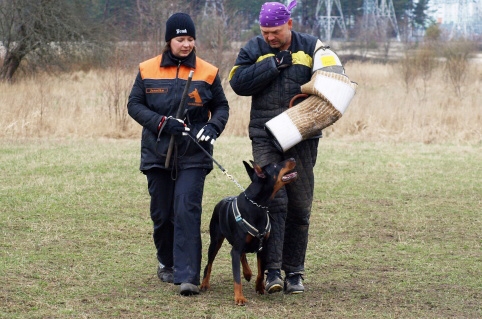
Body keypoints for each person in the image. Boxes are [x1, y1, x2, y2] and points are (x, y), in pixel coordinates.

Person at [229, 0, 330, 294]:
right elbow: (238, 83)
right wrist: (272, 65)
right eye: (265, 31)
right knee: (275, 202)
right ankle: (272, 271)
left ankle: (294, 273)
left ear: (289, 24)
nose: (270, 37)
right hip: (265, 136)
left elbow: (332, 81)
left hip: (303, 137)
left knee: (299, 206)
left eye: (275, 31)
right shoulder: (253, 49)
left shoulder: (312, 47)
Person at [127, 12, 229, 296]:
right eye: (180, 39)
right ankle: (167, 262)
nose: (186, 44)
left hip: (193, 154)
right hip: (157, 152)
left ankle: (188, 276)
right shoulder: (147, 69)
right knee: (162, 214)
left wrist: (212, 126)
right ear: (169, 40)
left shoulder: (208, 71)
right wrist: (161, 122)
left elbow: (222, 106)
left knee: (186, 210)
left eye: (190, 39)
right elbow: (134, 105)